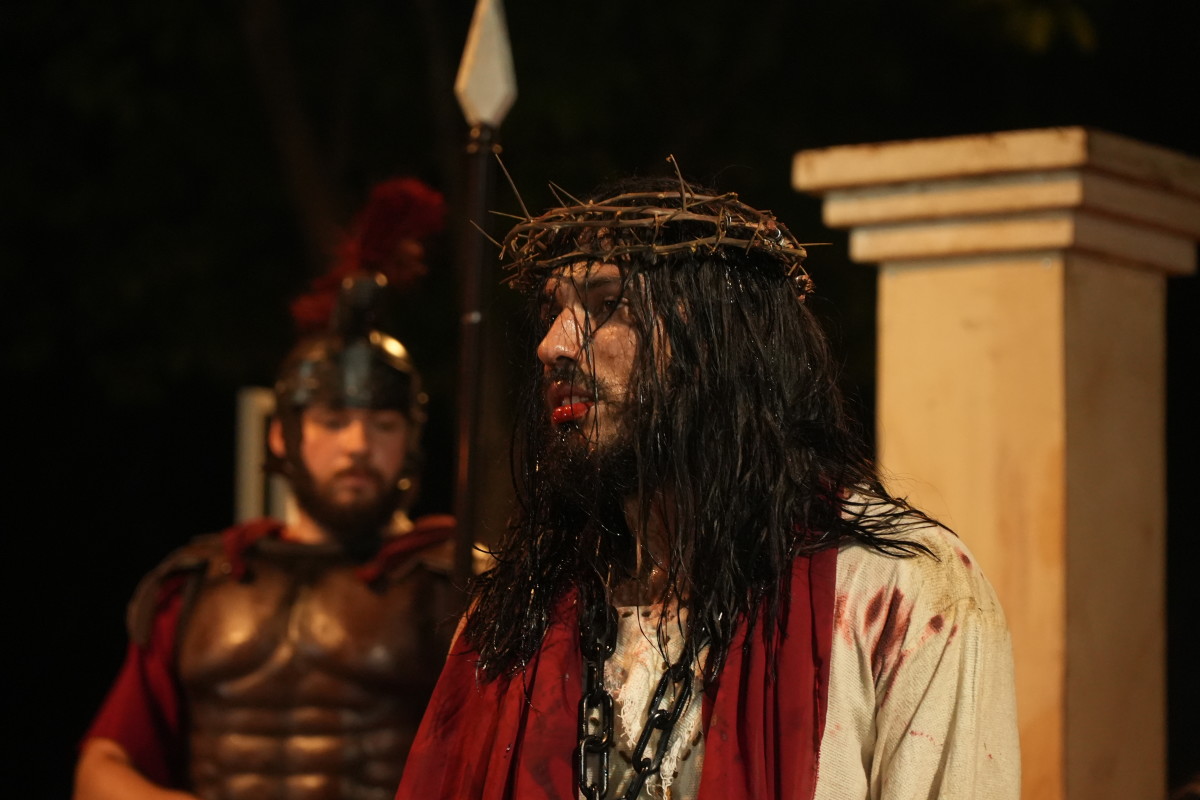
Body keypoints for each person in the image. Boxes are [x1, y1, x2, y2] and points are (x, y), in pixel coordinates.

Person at [394, 172, 1020, 799]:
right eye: (554, 310)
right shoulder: (517, 612)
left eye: (607, 304)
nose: (552, 345)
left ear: (721, 343)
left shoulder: (896, 589)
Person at [75, 181, 458, 800]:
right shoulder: (201, 584)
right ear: (282, 436)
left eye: (383, 425)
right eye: (333, 421)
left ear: (410, 439)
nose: (358, 445)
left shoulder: (458, 586)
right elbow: (100, 769)